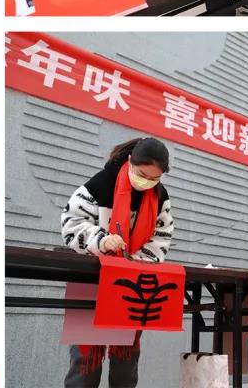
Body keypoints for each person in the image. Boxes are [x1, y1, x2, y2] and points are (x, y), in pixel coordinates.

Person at [59, 137, 174, 387]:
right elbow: (71, 222)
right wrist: (101, 240)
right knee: (85, 361)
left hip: (129, 284)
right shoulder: (101, 183)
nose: (147, 183)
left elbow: (162, 236)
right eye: (143, 175)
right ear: (131, 161)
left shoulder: (160, 197)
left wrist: (134, 261)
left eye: (155, 178)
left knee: (127, 361)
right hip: (92, 279)